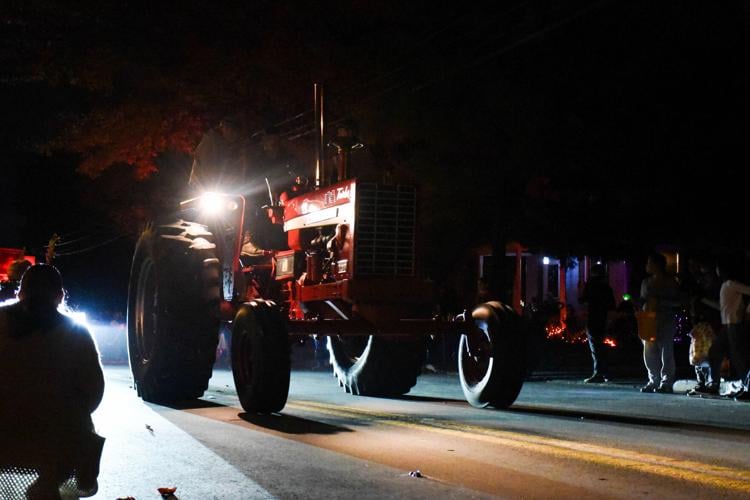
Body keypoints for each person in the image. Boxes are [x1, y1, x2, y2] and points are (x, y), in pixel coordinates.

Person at [0, 264, 105, 499]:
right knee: (76, 427)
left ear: (20, 293)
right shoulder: (77, 333)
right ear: (60, 297)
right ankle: (47, 485)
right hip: (57, 444)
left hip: (4, 439)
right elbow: (93, 394)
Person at [699, 258, 750, 396]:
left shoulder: (731, 284)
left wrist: (747, 311)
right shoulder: (726, 285)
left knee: (738, 357)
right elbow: (723, 308)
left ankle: (747, 387)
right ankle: (714, 384)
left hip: (734, 325)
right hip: (728, 325)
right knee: (716, 352)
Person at [639, 252, 681, 393]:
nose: (647, 266)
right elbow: (643, 300)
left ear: (656, 265)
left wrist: (661, 302)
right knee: (649, 351)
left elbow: (678, 302)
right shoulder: (646, 282)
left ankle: (666, 381)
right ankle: (653, 380)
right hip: (649, 319)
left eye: (649, 263)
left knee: (666, 350)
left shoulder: (670, 282)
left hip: (665, 319)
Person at [188, 116, 250, 193]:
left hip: (217, 189)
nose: (236, 136)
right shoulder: (212, 143)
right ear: (226, 128)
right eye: (234, 132)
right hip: (205, 189)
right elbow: (208, 167)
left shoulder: (228, 145)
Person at [578, 264, 616, 383]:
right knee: (601, 346)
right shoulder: (606, 287)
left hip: (593, 318)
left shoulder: (591, 286)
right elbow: (612, 305)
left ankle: (598, 372)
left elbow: (583, 299)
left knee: (595, 346)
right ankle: (605, 372)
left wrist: (580, 290)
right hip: (602, 318)